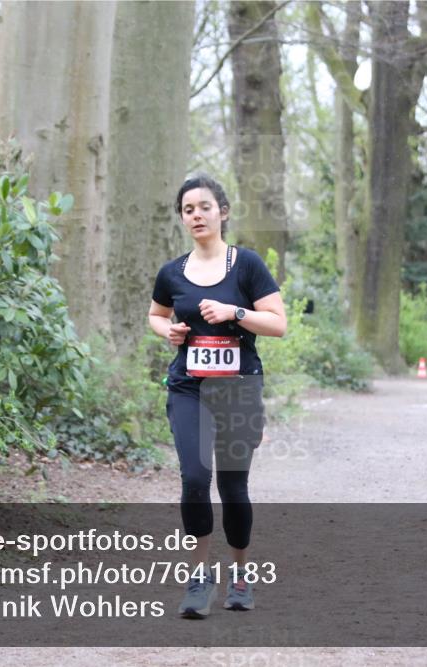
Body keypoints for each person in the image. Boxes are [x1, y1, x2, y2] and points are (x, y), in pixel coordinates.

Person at [148, 174, 287, 619]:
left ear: (222, 212)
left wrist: (235, 312)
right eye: (188, 210)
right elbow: (155, 315)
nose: (196, 215)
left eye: (204, 207)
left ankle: (241, 577)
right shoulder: (171, 272)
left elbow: (278, 323)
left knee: (232, 487)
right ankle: (198, 579)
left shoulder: (245, 265)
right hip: (189, 387)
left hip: (238, 389)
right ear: (183, 218)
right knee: (193, 479)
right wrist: (167, 331)